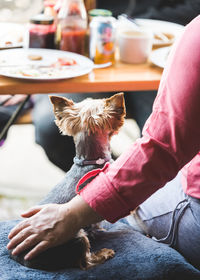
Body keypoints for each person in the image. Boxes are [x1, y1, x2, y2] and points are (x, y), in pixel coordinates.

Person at [6, 15, 200, 269]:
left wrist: (74, 215)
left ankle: (106, 199)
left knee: (137, 198)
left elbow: (161, 150)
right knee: (47, 128)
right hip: (92, 65)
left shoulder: (195, 36)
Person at [33, 0, 200, 173]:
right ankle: (114, 182)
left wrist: (134, 25)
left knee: (170, 137)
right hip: (89, 65)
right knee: (52, 128)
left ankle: (135, 182)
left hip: (158, 65)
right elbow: (52, 12)